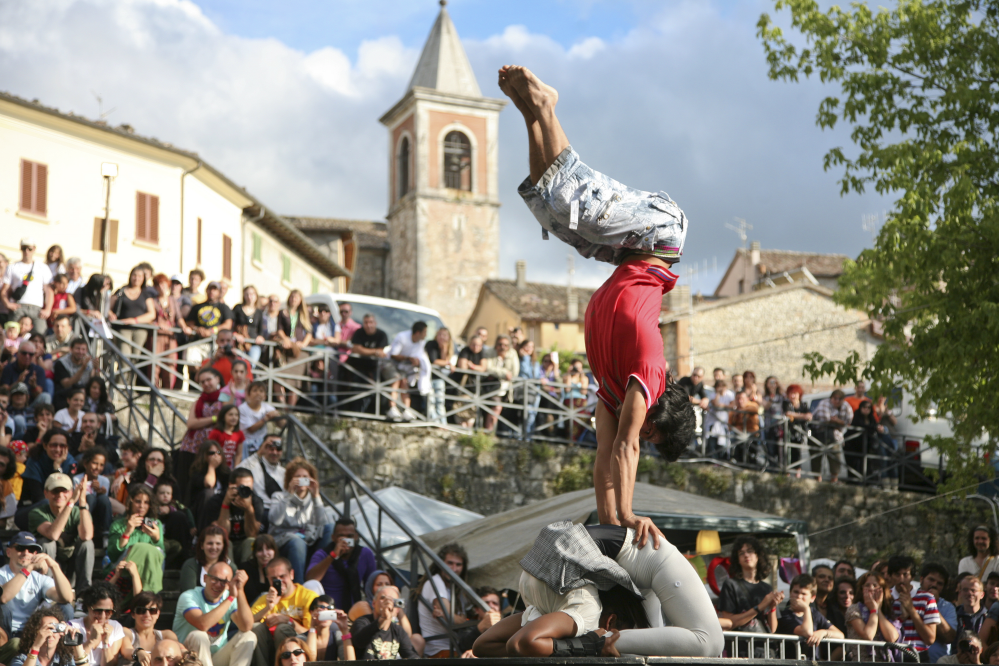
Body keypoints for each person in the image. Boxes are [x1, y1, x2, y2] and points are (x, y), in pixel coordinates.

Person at [505, 66, 693, 543]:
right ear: (661, 419)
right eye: (654, 436)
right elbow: (628, 447)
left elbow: (604, 457)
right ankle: (547, 106)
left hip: (633, 251)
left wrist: (610, 525)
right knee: (582, 206)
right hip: (662, 234)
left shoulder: (610, 394)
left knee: (554, 210)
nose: (643, 437)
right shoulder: (646, 380)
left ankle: (532, 114)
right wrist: (631, 516)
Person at [474, 521, 721, 658]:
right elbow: (521, 643)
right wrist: (593, 645)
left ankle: (606, 639)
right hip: (556, 564)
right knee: (709, 643)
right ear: (611, 619)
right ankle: (605, 639)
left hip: (543, 564)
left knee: (667, 646)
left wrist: (579, 645)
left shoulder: (574, 603)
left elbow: (485, 645)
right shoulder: (586, 606)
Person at [0, 532, 76, 663]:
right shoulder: (1, 574)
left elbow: (67, 597)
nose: (26, 553)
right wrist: (28, 569)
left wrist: (54, 566)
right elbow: (3, 597)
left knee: (66, 608)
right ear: (8, 552)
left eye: (32, 550)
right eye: (20, 548)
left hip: (34, 631)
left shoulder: (39, 579)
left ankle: (59, 649)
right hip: (6, 633)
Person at [173, 561, 257, 666]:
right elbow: (202, 624)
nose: (218, 585)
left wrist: (240, 590)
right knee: (199, 635)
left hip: (217, 656)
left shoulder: (229, 596)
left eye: (223, 581)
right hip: (188, 658)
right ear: (205, 578)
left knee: (248, 636)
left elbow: (246, 626)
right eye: (214, 579)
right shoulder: (188, 597)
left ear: (229, 585)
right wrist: (231, 598)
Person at [268, 457, 330, 583]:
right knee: (298, 543)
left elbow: (323, 524)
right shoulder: (279, 496)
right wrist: (289, 494)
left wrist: (316, 496)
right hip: (285, 541)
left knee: (331, 528)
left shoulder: (314, 500)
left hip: (308, 540)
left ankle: (317, 571)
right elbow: (275, 520)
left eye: (305, 477)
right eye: (297, 477)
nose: (301, 480)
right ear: (290, 480)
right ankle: (299, 587)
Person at [249, 557, 319, 666]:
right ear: (268, 579)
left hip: (298, 645)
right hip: (270, 644)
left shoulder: (308, 596)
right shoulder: (266, 599)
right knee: (255, 627)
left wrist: (289, 621)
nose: (279, 581)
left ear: (291, 574)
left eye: (282, 576)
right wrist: (268, 607)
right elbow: (247, 624)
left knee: (281, 628)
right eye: (274, 579)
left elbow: (311, 631)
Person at [29, 472, 94, 588]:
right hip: (50, 566)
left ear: (71, 493)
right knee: (47, 543)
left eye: (64, 491)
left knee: (87, 544)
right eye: (55, 491)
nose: (60, 495)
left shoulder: (79, 511)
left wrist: (82, 502)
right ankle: (46, 592)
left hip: (73, 565)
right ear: (46, 493)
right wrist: (71, 503)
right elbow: (53, 535)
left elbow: (87, 536)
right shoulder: (37, 513)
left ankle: (83, 594)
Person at [305, 517, 377, 612]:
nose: (346, 541)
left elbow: (373, 584)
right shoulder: (323, 554)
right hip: (328, 612)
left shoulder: (365, 554)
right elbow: (310, 580)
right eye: (341, 537)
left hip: (355, 611)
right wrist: (333, 555)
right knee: (311, 584)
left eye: (350, 536)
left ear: (356, 537)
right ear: (333, 538)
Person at [106, 485, 165, 594]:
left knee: (155, 550)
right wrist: (128, 531)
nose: (142, 506)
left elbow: (161, 557)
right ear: (130, 502)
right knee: (140, 547)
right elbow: (113, 556)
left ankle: (146, 595)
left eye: (146, 502)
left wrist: (156, 538)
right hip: (124, 568)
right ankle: (148, 596)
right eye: (138, 501)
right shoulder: (118, 524)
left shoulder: (156, 524)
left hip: (148, 569)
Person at [718, 536, 783, 635]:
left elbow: (773, 629)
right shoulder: (731, 585)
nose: (746, 555)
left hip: (765, 647)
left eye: (750, 551)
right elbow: (728, 621)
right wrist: (760, 606)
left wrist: (772, 607)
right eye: (741, 553)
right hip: (741, 647)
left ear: (758, 556)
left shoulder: (766, 588)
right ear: (737, 560)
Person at [176, 368, 225, 495]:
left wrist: (201, 421)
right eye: (202, 382)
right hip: (191, 446)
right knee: (185, 480)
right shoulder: (199, 400)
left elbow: (226, 416)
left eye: (209, 380)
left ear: (217, 379)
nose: (206, 384)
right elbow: (191, 423)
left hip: (211, 446)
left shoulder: (224, 397)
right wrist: (213, 418)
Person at [416, 543, 470, 658]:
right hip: (437, 650)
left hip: (454, 647)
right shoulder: (436, 581)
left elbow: (453, 618)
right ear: (440, 564)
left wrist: (458, 619)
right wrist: (460, 620)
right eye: (449, 563)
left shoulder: (456, 589)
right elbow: (450, 617)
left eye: (458, 564)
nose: (453, 569)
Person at [203, 469, 266, 564]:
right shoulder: (216, 501)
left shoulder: (256, 501)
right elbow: (222, 533)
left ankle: (246, 575)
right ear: (231, 485)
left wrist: (249, 510)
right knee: (226, 543)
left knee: (250, 541)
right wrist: (226, 504)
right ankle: (229, 575)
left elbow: (252, 534)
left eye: (249, 487)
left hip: (244, 544)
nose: (245, 491)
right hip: (226, 544)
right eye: (242, 487)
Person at [775, 574, 844, 658]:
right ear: (790, 593)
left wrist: (823, 632)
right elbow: (807, 632)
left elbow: (840, 635)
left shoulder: (814, 613)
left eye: (804, 594)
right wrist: (806, 609)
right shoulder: (785, 615)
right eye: (796, 592)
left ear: (812, 598)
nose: (799, 597)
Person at [887, 555, 941, 655]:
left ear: (912, 576)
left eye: (905, 574)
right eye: (897, 574)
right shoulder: (885, 598)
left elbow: (930, 639)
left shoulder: (927, 598)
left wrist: (911, 610)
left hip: (918, 655)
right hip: (892, 655)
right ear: (890, 576)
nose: (901, 579)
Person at [845, 571, 902, 661]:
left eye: (875, 585)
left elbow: (892, 637)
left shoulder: (887, 611)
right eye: (867, 585)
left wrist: (878, 609)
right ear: (861, 589)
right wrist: (873, 610)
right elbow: (868, 635)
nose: (871, 588)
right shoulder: (854, 609)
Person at [1, 238, 53, 336]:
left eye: (29, 249)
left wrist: (48, 309)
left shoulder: (43, 267)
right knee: (11, 336)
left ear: (34, 249)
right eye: (24, 248)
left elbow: (49, 291)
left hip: (37, 308)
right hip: (18, 306)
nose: (26, 251)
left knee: (40, 335)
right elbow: (5, 290)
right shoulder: (13, 267)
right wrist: (8, 304)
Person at [351, 586, 419, 660]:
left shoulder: (398, 631)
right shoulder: (362, 622)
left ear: (398, 609)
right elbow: (359, 642)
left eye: (392, 600)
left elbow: (412, 656)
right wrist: (383, 619)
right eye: (383, 598)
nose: (388, 603)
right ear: (373, 603)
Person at [9, 606, 90, 666]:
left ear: (61, 634)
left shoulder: (66, 660)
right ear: (35, 633)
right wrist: (36, 647)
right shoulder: (22, 659)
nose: (50, 633)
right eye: (46, 629)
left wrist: (77, 644)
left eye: (55, 629)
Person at [69, 582, 126, 666]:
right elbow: (71, 662)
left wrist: (105, 642)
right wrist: (91, 641)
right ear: (88, 607)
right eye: (98, 611)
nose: (102, 616)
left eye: (108, 611)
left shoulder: (116, 627)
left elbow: (110, 665)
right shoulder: (73, 627)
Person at [107, 266, 157, 361]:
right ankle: (121, 376)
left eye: (139, 276)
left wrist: (134, 320)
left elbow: (152, 314)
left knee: (135, 359)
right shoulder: (121, 291)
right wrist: (111, 314)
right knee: (124, 357)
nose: (136, 278)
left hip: (140, 330)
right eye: (134, 275)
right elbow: (108, 308)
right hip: (123, 328)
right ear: (130, 276)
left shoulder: (146, 294)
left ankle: (129, 377)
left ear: (143, 279)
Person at [151, 273, 191, 390]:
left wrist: (184, 327)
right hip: (156, 335)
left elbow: (179, 317)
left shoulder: (172, 300)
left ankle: (169, 391)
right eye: (158, 285)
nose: (162, 287)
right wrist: (157, 324)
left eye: (163, 284)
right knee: (155, 363)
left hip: (170, 336)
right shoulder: (153, 300)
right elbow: (150, 317)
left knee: (170, 364)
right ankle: (154, 389)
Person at [276, 290, 313, 408]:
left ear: (300, 300)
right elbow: (280, 329)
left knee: (295, 382)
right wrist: (285, 339)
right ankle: (283, 406)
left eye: (297, 297)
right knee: (278, 378)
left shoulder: (303, 314)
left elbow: (309, 332)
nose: (294, 299)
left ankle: (290, 409)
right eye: (292, 297)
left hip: (299, 352)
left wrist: (303, 344)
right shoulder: (283, 313)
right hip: (287, 349)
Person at [386, 321, 429, 422]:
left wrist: (417, 361)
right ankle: (392, 408)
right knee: (396, 379)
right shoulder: (402, 337)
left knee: (404, 382)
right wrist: (409, 358)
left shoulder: (421, 342)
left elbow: (419, 356)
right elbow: (393, 355)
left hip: (402, 367)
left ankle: (406, 410)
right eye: (425, 332)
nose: (426, 335)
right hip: (389, 364)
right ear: (418, 333)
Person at [185, 281, 234, 367]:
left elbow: (228, 324)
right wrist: (197, 329)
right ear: (206, 291)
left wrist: (211, 331)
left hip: (214, 342)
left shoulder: (224, 307)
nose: (212, 292)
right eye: (210, 289)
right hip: (198, 341)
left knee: (212, 366)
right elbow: (189, 323)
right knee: (192, 365)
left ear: (219, 292)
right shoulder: (197, 306)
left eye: (215, 290)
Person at [121, 592, 179, 661]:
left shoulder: (166, 635)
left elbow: (179, 649)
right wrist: (138, 652)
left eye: (152, 611)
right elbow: (126, 650)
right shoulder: (126, 632)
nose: (147, 615)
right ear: (133, 614)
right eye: (141, 610)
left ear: (158, 614)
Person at [812, 389, 854, 483]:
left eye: (840, 399)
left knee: (835, 457)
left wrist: (836, 421)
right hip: (818, 433)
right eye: (835, 398)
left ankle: (834, 480)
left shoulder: (846, 406)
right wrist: (839, 422)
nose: (837, 401)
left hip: (835, 435)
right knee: (816, 457)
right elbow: (825, 420)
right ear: (831, 398)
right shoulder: (824, 403)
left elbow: (849, 421)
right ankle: (817, 480)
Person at [236, 435, 285, 513]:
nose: (275, 452)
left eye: (278, 449)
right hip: (261, 511)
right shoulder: (253, 466)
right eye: (271, 448)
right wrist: (258, 454)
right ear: (264, 447)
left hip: (280, 512)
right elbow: (237, 472)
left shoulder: (284, 472)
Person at [186, 440, 231, 520]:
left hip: (220, 508)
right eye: (212, 453)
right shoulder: (197, 471)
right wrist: (212, 467)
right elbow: (209, 484)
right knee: (208, 493)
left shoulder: (225, 471)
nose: (216, 455)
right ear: (204, 455)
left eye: (218, 452)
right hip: (201, 510)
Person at [180, 525, 232, 592]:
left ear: (223, 546)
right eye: (210, 543)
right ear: (202, 545)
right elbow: (188, 594)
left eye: (218, 544)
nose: (214, 547)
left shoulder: (231, 567)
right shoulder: (191, 565)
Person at [52, 338, 99, 412]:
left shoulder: (89, 363)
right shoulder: (61, 363)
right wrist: (82, 368)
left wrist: (96, 369)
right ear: (71, 349)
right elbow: (66, 384)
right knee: (81, 390)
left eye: (83, 349)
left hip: (85, 391)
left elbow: (94, 382)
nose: (80, 352)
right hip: (64, 394)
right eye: (78, 349)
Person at [237, 382, 280, 460]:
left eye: (261, 391)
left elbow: (282, 424)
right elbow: (251, 429)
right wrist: (265, 419)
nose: (258, 393)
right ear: (249, 394)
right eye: (255, 390)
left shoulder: (267, 407)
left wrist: (277, 414)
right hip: (246, 444)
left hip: (262, 444)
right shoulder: (242, 408)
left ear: (265, 396)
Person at [305, 595, 354, 661]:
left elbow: (350, 662)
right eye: (321, 607)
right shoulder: (303, 638)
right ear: (311, 612)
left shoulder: (337, 635)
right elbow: (310, 662)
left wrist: (345, 630)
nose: (325, 611)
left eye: (330, 608)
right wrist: (312, 627)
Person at [239, 534, 277, 605]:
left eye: (268, 549)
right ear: (255, 553)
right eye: (260, 550)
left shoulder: (280, 569)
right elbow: (249, 596)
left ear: (274, 551)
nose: (265, 554)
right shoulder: (245, 568)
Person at [233, 285, 266, 365]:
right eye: (247, 294)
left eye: (252, 294)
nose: (249, 296)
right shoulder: (238, 308)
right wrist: (235, 335)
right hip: (239, 343)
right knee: (239, 365)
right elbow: (232, 324)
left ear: (256, 296)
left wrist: (260, 337)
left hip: (253, 343)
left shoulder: (259, 312)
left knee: (251, 366)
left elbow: (261, 329)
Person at [208, 404, 245, 470]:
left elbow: (239, 454)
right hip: (215, 466)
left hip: (228, 467)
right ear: (223, 417)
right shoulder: (216, 432)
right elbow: (209, 450)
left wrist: (235, 468)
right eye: (230, 415)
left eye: (236, 415)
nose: (234, 417)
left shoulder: (239, 434)